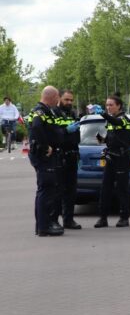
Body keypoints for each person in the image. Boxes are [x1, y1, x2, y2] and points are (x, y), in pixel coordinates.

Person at [28, 86, 76, 236]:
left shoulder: (45, 111)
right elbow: (36, 127)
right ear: (52, 97)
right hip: (43, 157)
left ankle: (43, 225)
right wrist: (44, 146)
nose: (58, 101)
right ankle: (44, 227)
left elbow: (52, 131)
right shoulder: (40, 111)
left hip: (47, 156)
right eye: (57, 98)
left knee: (46, 190)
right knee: (46, 190)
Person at [92, 94, 130, 228]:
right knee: (105, 188)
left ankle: (124, 218)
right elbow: (112, 138)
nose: (108, 107)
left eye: (111, 105)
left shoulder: (124, 119)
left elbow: (118, 124)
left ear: (119, 106)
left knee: (122, 188)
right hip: (111, 157)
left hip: (122, 157)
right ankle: (102, 218)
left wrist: (104, 114)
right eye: (106, 105)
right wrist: (102, 140)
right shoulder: (111, 120)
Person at [52, 89, 82, 230]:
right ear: (59, 99)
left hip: (72, 155)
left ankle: (68, 220)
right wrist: (66, 131)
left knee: (71, 191)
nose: (69, 102)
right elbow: (54, 135)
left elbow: (76, 136)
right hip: (60, 156)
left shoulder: (72, 114)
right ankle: (55, 221)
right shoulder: (54, 113)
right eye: (66, 100)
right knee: (58, 191)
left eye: (71, 100)